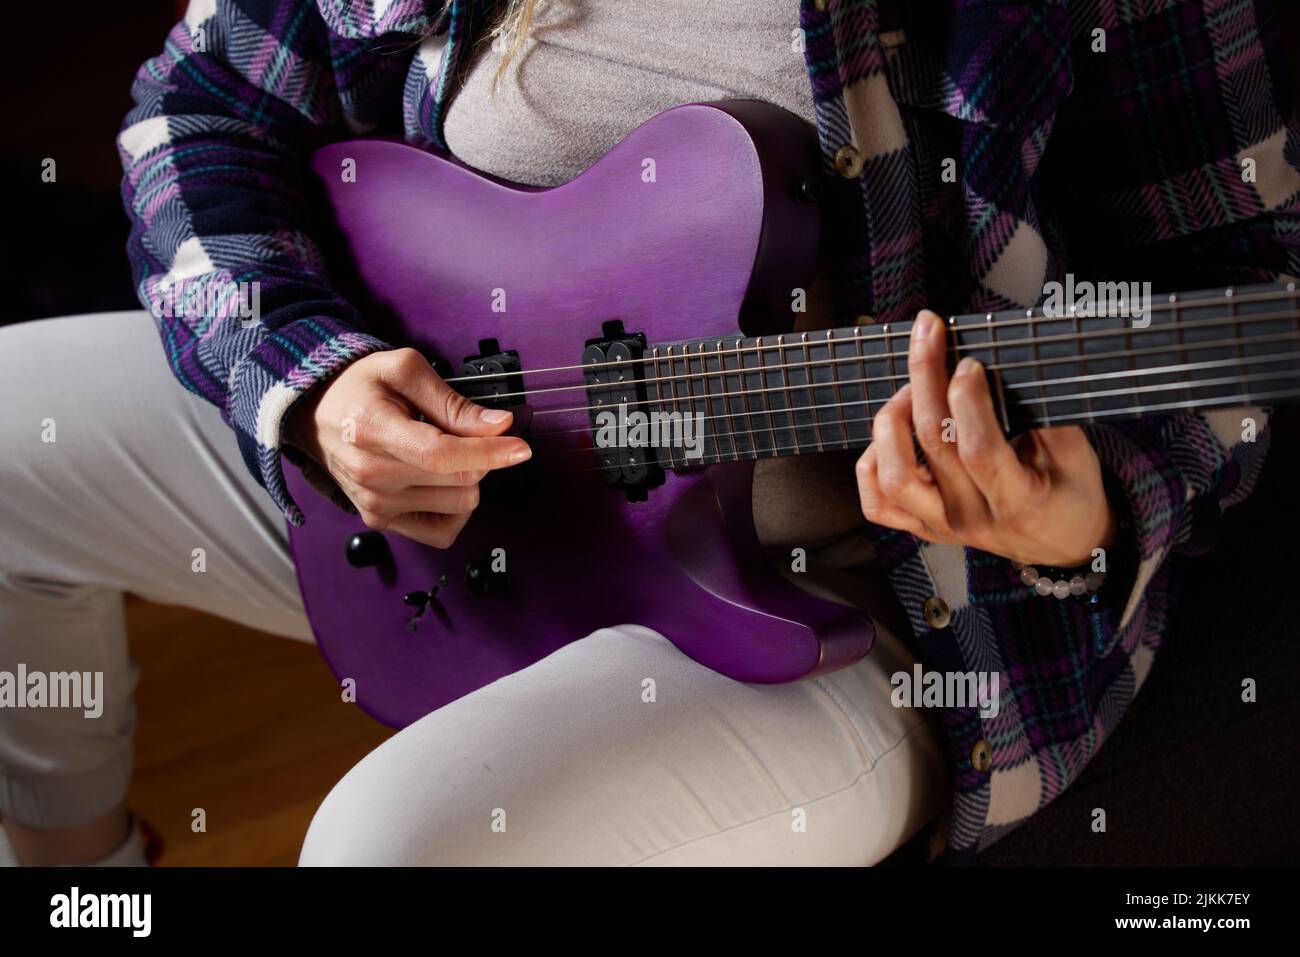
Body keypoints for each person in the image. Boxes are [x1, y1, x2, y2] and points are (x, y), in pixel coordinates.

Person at [0, 0, 1291, 866]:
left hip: (855, 614)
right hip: (434, 499)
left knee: (396, 844)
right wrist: (313, 381)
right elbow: (203, 99)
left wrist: (1080, 512)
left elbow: (1243, 289)